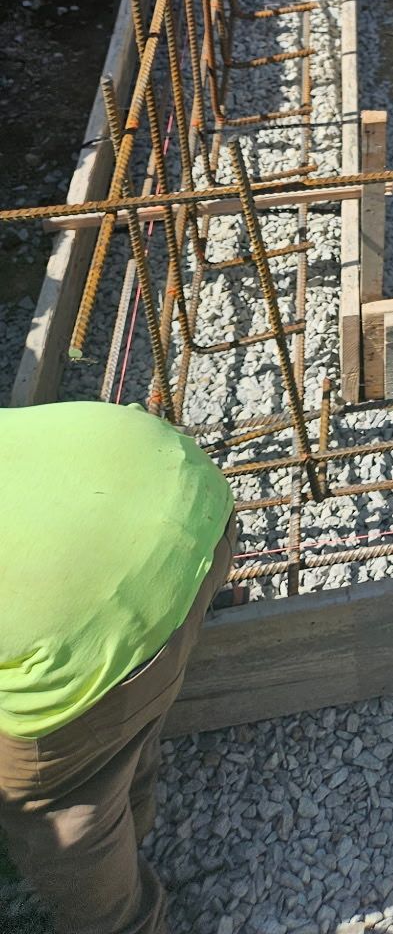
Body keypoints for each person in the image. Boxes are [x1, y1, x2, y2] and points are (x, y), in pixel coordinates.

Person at [0, 400, 234, 934]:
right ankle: (132, 815)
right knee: (110, 733)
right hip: (183, 488)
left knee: (52, 802)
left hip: (92, 612)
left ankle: (127, 921)